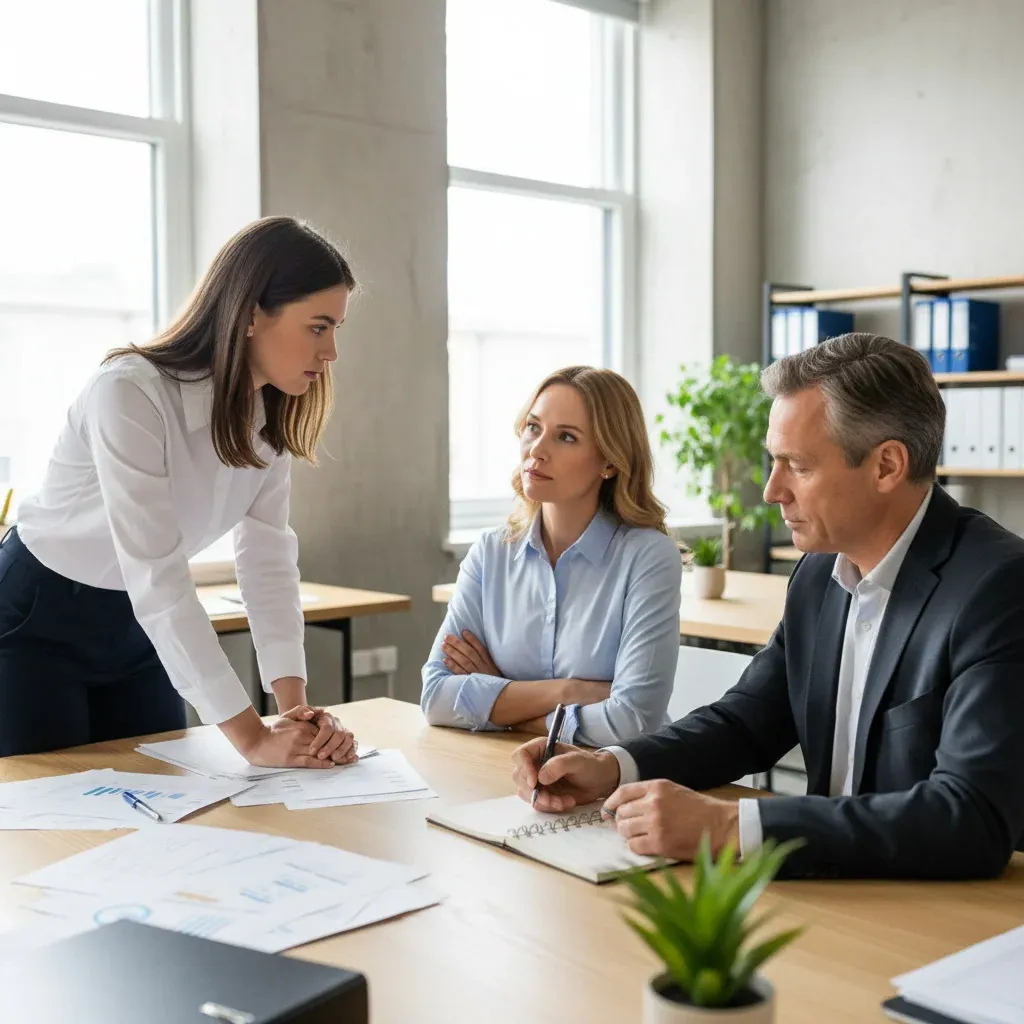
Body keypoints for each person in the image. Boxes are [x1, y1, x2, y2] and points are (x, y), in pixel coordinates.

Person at [511, 333, 1024, 879]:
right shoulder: (818, 574)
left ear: (887, 466)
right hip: (827, 889)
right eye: (772, 462)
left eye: (797, 466)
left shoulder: (997, 588)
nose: (772, 490)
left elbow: (970, 818)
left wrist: (732, 827)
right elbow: (747, 724)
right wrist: (611, 765)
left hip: (942, 915)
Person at [0, 216, 358, 767]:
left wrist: (293, 710)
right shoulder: (128, 392)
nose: (331, 351)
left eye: (337, 328)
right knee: (51, 817)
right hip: (38, 617)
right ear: (249, 314)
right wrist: (252, 739)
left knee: (166, 811)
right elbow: (156, 571)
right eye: (318, 327)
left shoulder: (271, 415)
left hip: (137, 627)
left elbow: (266, 557)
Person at [421, 365, 682, 746]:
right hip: (508, 771)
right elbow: (436, 698)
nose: (537, 450)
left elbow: (632, 721)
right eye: (533, 427)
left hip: (618, 783)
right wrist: (569, 691)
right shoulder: (491, 553)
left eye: (566, 437)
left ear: (609, 461)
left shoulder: (648, 557)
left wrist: (505, 703)